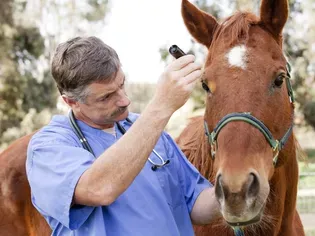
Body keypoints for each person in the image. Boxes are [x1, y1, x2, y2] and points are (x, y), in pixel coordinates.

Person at [26, 36, 219, 236]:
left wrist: (233, 196)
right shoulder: (47, 147)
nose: (124, 100)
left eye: (122, 84)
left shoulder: (149, 132)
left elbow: (195, 202)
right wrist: (161, 106)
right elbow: (98, 189)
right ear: (71, 102)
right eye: (106, 97)